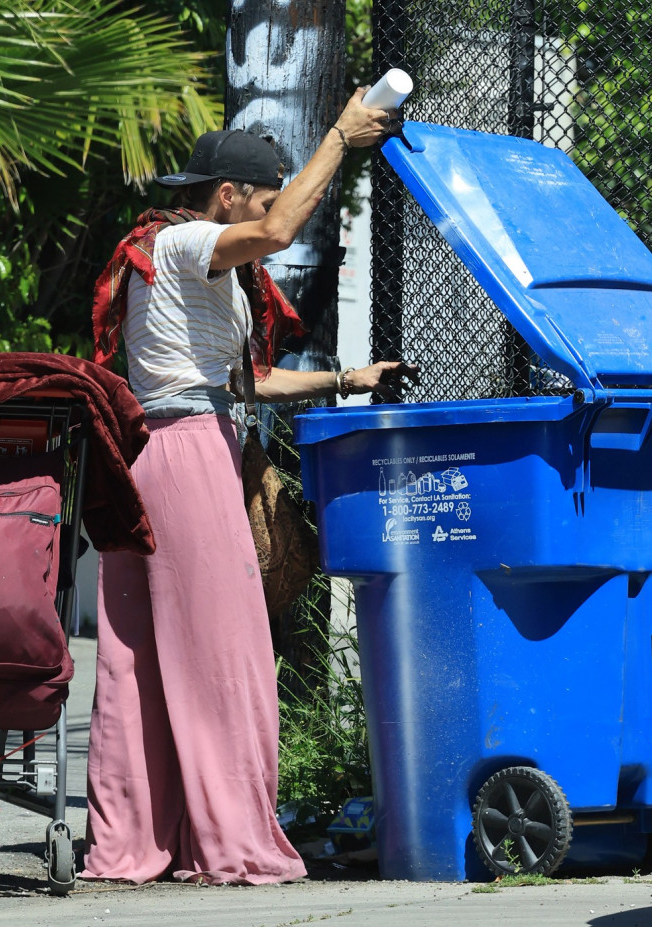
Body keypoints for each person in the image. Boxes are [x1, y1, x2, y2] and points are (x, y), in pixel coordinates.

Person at [82, 87, 419, 886]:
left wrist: (345, 377)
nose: (267, 219)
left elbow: (247, 381)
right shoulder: (182, 241)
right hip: (188, 453)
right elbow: (277, 228)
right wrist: (338, 136)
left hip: (154, 450)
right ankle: (233, 843)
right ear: (227, 195)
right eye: (261, 195)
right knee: (225, 654)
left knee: (140, 660)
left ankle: (132, 846)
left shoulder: (187, 263)